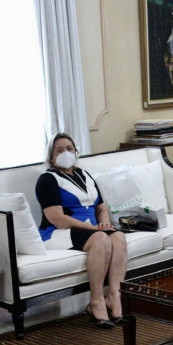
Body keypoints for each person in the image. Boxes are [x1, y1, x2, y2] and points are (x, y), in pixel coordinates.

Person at [35, 133, 128, 328]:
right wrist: (95, 229)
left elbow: (101, 208)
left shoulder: (85, 175)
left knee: (118, 237)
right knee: (101, 239)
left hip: (91, 230)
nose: (66, 153)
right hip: (57, 232)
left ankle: (114, 297)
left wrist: (104, 224)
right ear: (51, 156)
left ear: (76, 151)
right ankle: (96, 301)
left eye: (69, 148)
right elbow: (57, 218)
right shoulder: (47, 180)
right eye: (59, 150)